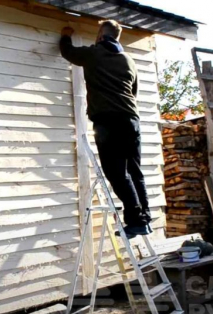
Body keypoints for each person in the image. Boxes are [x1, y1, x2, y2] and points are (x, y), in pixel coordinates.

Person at [59, 20, 151, 238]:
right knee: (135, 172)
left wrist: (65, 35)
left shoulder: (94, 54)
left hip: (108, 123)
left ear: (101, 35)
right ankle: (145, 219)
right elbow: (133, 91)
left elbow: (69, 52)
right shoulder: (129, 60)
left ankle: (136, 220)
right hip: (131, 120)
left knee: (117, 173)